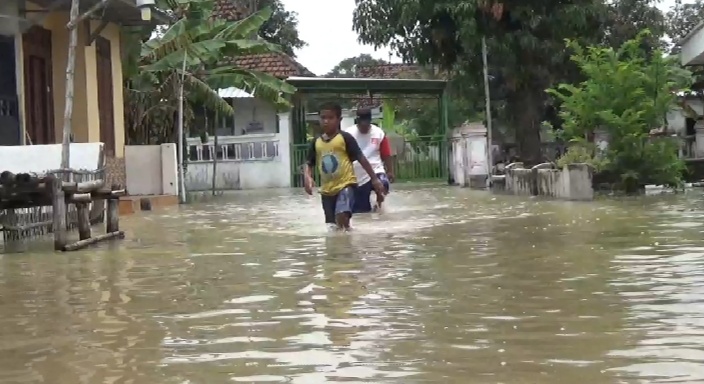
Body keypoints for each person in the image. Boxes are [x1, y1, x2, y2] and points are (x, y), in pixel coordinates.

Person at [304, 102, 386, 230]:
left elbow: (361, 159)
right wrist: (307, 177)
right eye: (323, 118)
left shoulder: (345, 138)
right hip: (327, 190)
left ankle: (348, 244)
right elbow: (309, 162)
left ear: (339, 120)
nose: (326, 121)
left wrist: (374, 179)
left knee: (342, 215)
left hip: (346, 185)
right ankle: (345, 241)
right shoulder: (316, 142)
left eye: (330, 118)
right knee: (332, 226)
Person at [343, 108, 394, 213]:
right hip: (357, 175)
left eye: (366, 124)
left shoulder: (379, 133)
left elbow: (386, 154)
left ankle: (379, 204)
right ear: (357, 121)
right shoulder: (348, 134)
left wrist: (390, 171)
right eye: (362, 124)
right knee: (362, 211)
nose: (364, 127)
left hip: (376, 169)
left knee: (383, 183)